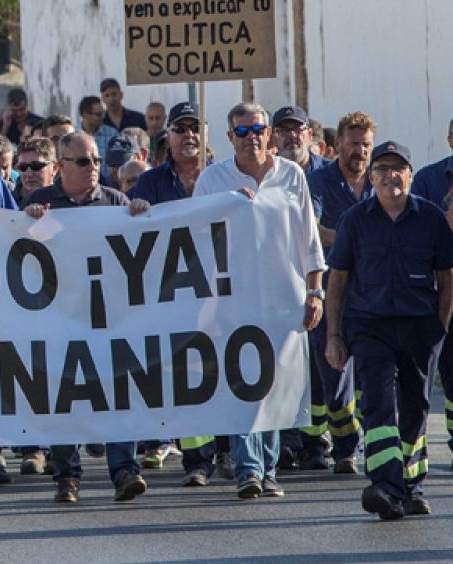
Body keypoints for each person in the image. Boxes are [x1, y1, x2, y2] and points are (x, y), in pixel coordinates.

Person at [189, 102, 324, 504]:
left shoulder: (291, 175)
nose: (252, 138)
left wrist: (314, 292)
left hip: (284, 300)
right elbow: (192, 238)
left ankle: (268, 468)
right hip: (233, 302)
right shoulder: (213, 180)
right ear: (230, 138)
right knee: (243, 387)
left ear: (270, 133)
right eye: (242, 131)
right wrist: (226, 206)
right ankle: (249, 470)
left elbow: (309, 241)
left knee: (275, 388)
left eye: (258, 129)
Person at [324, 140, 453, 520]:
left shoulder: (430, 219)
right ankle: (385, 485)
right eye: (381, 169)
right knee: (377, 402)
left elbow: (446, 278)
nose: (390, 176)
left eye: (398, 168)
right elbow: (338, 280)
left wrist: (440, 327)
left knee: (415, 408)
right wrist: (334, 335)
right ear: (371, 176)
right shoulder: (355, 220)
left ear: (410, 175)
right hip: (370, 328)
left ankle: (411, 486)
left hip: (419, 329)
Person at [22, 132, 152, 504]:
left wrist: (142, 216)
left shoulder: (116, 202)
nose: (92, 167)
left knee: (117, 392)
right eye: (83, 161)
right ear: (61, 166)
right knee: (63, 397)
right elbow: (16, 254)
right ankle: (67, 476)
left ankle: (125, 469)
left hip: (108, 318)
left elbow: (140, 251)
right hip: (58, 318)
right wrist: (28, 223)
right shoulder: (40, 201)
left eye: (95, 160)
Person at [305, 111, 376, 473]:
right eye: (353, 144)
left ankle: (352, 449)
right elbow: (313, 230)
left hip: (371, 295)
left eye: (365, 145)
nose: (360, 152)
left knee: (373, 374)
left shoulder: (381, 180)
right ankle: (345, 436)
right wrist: (359, 240)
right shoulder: (317, 182)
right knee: (333, 378)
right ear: (337, 146)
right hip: (330, 293)